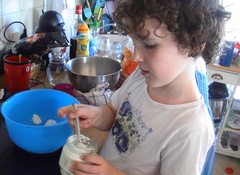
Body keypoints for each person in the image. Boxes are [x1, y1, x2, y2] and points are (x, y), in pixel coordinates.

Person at [57, 0, 231, 174]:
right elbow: (112, 112)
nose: (136, 57)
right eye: (135, 43)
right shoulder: (141, 78)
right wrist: (96, 114)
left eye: (149, 45)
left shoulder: (192, 129)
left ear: (193, 44)